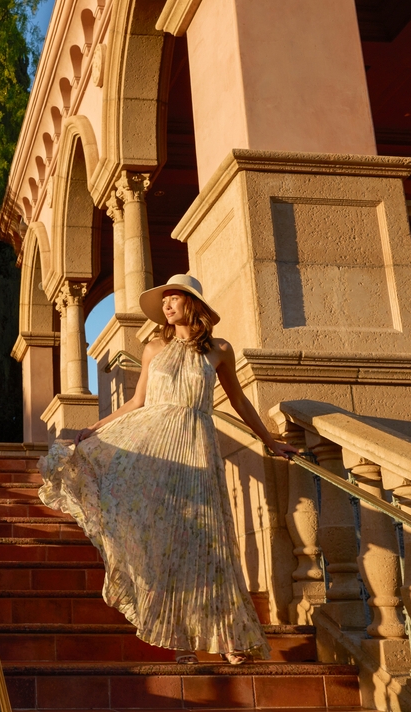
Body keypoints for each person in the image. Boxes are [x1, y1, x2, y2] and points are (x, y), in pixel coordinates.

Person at [38, 273, 299, 665]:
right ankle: (181, 643)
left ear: (191, 303)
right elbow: (137, 402)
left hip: (197, 449)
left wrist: (269, 441)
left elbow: (240, 402)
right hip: (157, 450)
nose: (167, 305)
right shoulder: (153, 348)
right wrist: (94, 429)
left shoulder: (219, 351)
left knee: (209, 542)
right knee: (167, 543)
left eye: (173, 298)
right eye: (164, 300)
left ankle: (228, 639)